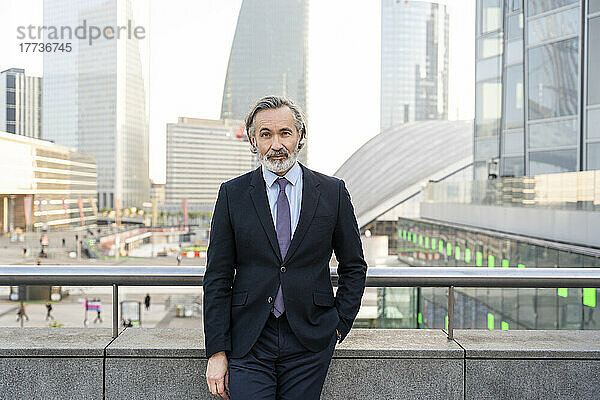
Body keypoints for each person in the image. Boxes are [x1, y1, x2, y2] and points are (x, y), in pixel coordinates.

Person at [203, 96, 367, 399]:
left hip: (310, 340)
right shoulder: (232, 194)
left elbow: (354, 265)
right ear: (253, 140)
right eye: (266, 134)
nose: (276, 144)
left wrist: (338, 324)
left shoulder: (332, 192)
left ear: (300, 136)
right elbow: (217, 277)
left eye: (285, 133)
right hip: (248, 339)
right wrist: (216, 350)